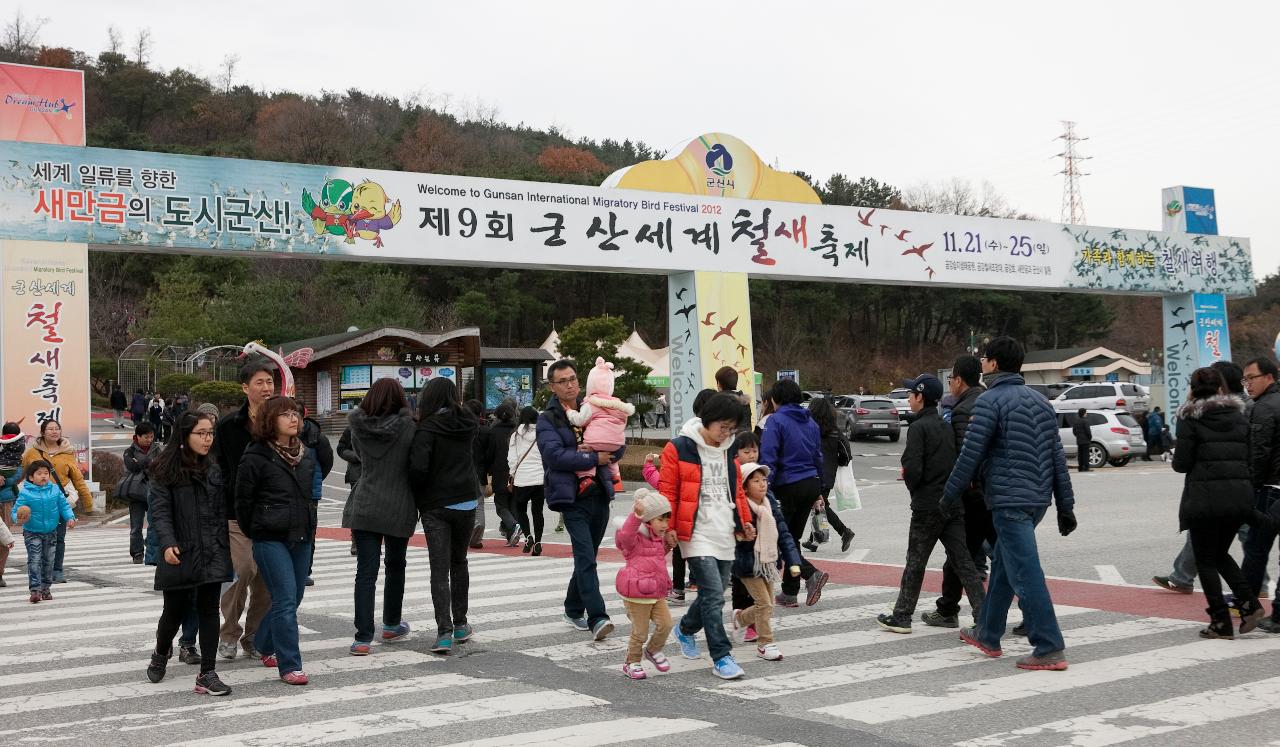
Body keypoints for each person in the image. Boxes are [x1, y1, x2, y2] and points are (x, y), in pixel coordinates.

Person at [944, 336, 1076, 671]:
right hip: (1037, 501)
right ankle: (988, 634)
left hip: (1008, 500)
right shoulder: (1042, 402)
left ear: (993, 364)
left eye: (985, 358)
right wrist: (1065, 505)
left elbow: (970, 456)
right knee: (1004, 563)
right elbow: (1057, 458)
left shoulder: (990, 402)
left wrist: (948, 495)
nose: (983, 362)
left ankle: (1048, 646)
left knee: (1026, 573)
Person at [1152, 360, 1272, 597]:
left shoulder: (1199, 414)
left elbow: (1182, 463)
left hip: (1211, 491)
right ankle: (1248, 594)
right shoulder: (1244, 409)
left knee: (1214, 549)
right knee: (1223, 544)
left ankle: (1230, 606)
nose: (1248, 383)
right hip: (1241, 488)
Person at [878, 374, 986, 634]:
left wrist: (916, 491)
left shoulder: (917, 428)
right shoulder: (945, 425)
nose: (908, 398)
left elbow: (912, 468)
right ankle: (984, 616)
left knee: (916, 561)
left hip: (926, 505)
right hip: (953, 503)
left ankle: (902, 616)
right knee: (964, 562)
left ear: (920, 397)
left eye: (910, 394)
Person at [662, 392, 756, 680]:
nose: (726, 434)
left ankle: (686, 629)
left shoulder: (729, 451)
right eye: (722, 427)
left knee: (711, 595)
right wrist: (668, 526)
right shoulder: (679, 448)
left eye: (732, 429)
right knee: (714, 595)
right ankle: (722, 656)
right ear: (708, 420)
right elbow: (668, 491)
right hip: (695, 531)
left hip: (723, 530)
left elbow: (736, 491)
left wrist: (745, 522)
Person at [1171, 367, 1266, 638]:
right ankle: (1249, 604)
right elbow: (1250, 457)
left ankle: (1221, 621)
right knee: (1219, 553)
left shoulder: (1190, 417)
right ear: (1221, 387)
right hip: (1239, 495)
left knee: (1205, 559)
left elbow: (1182, 464)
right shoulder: (1239, 414)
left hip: (1206, 499)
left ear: (1193, 389)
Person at [144, 411, 234, 695]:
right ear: (184, 436)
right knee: (174, 610)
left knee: (209, 610)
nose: (208, 439)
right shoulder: (163, 470)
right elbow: (159, 511)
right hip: (180, 550)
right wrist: (168, 543)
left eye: (211, 433)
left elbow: (222, 509)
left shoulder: (214, 468)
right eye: (202, 433)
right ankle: (161, 652)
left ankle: (207, 673)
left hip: (212, 549)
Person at [538, 359, 624, 642]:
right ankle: (597, 617)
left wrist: (609, 452)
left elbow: (616, 446)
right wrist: (590, 456)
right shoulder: (547, 418)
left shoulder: (595, 406)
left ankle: (572, 606)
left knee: (588, 555)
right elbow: (554, 456)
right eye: (563, 381)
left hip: (599, 491)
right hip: (571, 497)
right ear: (553, 386)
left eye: (573, 378)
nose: (570, 384)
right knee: (586, 557)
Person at [235, 395, 317, 686]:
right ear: (271, 421)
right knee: (283, 598)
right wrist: (257, 530)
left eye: (295, 413)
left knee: (294, 597)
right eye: (286, 414)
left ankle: (265, 643)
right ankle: (290, 665)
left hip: (301, 535)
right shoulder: (256, 455)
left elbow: (311, 499)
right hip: (269, 537)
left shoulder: (306, 454)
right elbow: (242, 502)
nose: (293, 418)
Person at [342, 378, 416, 656]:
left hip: (365, 502)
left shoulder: (358, 427)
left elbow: (360, 457)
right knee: (396, 566)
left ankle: (362, 637)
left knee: (366, 572)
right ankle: (391, 624)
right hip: (399, 502)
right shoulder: (409, 427)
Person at [410, 378, 480, 654]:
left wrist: (418, 496)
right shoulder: (469, 424)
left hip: (436, 506)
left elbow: (418, 468)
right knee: (459, 561)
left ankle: (444, 633)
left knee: (439, 569)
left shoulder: (426, 428)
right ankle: (461, 623)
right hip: (466, 501)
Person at [927, 355, 997, 629]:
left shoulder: (962, 409)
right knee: (1005, 555)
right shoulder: (991, 399)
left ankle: (949, 611)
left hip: (973, 496)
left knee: (959, 555)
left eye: (951, 379)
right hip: (996, 492)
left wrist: (952, 493)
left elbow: (964, 457)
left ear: (958, 380)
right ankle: (1028, 613)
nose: (950, 385)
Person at [216, 360, 276, 661]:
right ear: (245, 387)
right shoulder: (229, 425)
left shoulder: (282, 419)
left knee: (267, 578)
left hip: (272, 514)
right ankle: (228, 633)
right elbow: (218, 467)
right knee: (242, 570)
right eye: (260, 382)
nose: (266, 387)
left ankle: (254, 635)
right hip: (236, 513)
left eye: (269, 382)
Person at [760, 378, 829, 607]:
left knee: (780, 539)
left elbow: (769, 457)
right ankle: (789, 591)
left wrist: (763, 487)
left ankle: (810, 574)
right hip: (810, 483)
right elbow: (818, 457)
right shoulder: (811, 423)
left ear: (776, 399)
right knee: (793, 538)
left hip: (787, 486)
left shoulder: (775, 421)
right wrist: (819, 489)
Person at [733, 462, 802, 661]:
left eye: (764, 479)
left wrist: (793, 561)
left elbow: (784, 534)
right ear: (745, 486)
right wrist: (741, 534)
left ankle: (739, 619)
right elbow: (731, 532)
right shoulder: (741, 508)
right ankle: (765, 643)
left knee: (767, 604)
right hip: (747, 563)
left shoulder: (770, 504)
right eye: (756, 481)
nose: (762, 484)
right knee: (764, 603)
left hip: (769, 562)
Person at [22, 419, 91, 584]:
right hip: (36, 503)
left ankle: (57, 569)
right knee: (36, 539)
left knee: (58, 539)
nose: (54, 431)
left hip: (58, 502)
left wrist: (88, 502)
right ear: (43, 432)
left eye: (57, 429)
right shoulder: (31, 453)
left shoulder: (68, 453)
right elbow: (23, 475)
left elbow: (78, 478)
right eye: (50, 429)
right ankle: (39, 569)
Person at [616, 488, 674, 680]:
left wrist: (667, 545)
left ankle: (653, 650)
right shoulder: (634, 539)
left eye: (667, 519)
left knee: (666, 624)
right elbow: (625, 535)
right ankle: (631, 662)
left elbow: (654, 559)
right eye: (660, 519)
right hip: (637, 593)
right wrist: (636, 516)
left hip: (656, 592)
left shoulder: (657, 538)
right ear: (648, 519)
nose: (665, 524)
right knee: (639, 632)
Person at [667, 388, 717, 606]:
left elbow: (669, 486)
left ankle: (678, 589)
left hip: (684, 506)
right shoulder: (719, 440)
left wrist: (669, 521)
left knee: (681, 548)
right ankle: (702, 583)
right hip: (709, 506)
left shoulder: (681, 439)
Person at [1241, 357, 1280, 634]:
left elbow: (1258, 454)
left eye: (1251, 378)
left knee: (1255, 549)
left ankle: (1247, 604)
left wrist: (1249, 489)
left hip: (1270, 491)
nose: (1247, 384)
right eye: (1245, 379)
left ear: (1269, 377)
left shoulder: (1264, 408)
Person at [566, 357, 634, 492]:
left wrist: (569, 412)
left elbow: (580, 420)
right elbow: (623, 422)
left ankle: (586, 478)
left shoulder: (591, 403)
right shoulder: (619, 404)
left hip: (595, 442)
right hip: (617, 443)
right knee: (611, 456)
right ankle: (614, 476)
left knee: (584, 451)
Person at [12, 459, 75, 603]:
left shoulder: (54, 490)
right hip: (32, 532)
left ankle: (46, 589)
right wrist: (18, 519)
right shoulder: (25, 493)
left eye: (46, 473)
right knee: (34, 560)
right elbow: (16, 511)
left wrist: (70, 517)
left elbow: (63, 505)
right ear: (31, 477)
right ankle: (35, 590)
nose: (43, 476)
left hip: (51, 531)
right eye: (39, 473)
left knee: (48, 561)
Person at [804, 397, 856, 554]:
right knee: (819, 504)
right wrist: (839, 461)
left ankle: (844, 531)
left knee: (820, 505)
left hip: (813, 473)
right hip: (828, 475)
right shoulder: (835, 431)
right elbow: (846, 452)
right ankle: (815, 540)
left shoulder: (809, 428)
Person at [299, 409, 333, 586]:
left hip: (310, 493)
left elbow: (327, 462)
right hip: (284, 493)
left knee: (308, 532)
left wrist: (314, 480)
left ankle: (305, 570)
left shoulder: (316, 438)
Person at [508, 405, 545, 556]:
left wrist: (512, 473)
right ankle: (538, 542)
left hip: (522, 479)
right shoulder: (543, 433)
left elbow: (512, 458)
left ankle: (528, 537)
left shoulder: (516, 435)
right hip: (539, 478)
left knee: (520, 510)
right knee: (538, 511)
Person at [488, 398, 523, 546]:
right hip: (517, 472)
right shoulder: (519, 429)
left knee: (501, 504)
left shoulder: (493, 431)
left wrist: (488, 469)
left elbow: (490, 453)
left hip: (500, 471)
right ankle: (512, 536)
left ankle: (514, 526)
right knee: (513, 503)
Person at [121, 422, 157, 563]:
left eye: (151, 437)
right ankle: (137, 553)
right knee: (136, 527)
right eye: (146, 437)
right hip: (136, 493)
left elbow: (160, 467)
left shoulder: (157, 449)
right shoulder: (129, 451)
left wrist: (141, 462)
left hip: (154, 491)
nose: (149, 440)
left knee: (154, 523)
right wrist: (148, 462)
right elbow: (132, 466)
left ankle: (150, 548)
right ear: (137, 437)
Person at [463, 398, 491, 549]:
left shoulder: (459, 428)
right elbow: (489, 454)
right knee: (479, 505)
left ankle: (469, 532)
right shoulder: (486, 430)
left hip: (462, 472)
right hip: (480, 472)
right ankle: (477, 536)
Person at [336, 424, 361, 557]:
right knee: (356, 509)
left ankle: (373, 543)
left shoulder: (385, 424)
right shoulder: (353, 427)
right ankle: (356, 542)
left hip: (378, 474)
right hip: (357, 474)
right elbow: (341, 448)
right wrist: (356, 457)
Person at [714, 365, 754, 432]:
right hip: (746, 439)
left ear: (719, 384)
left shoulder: (719, 402)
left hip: (729, 440)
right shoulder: (745, 402)